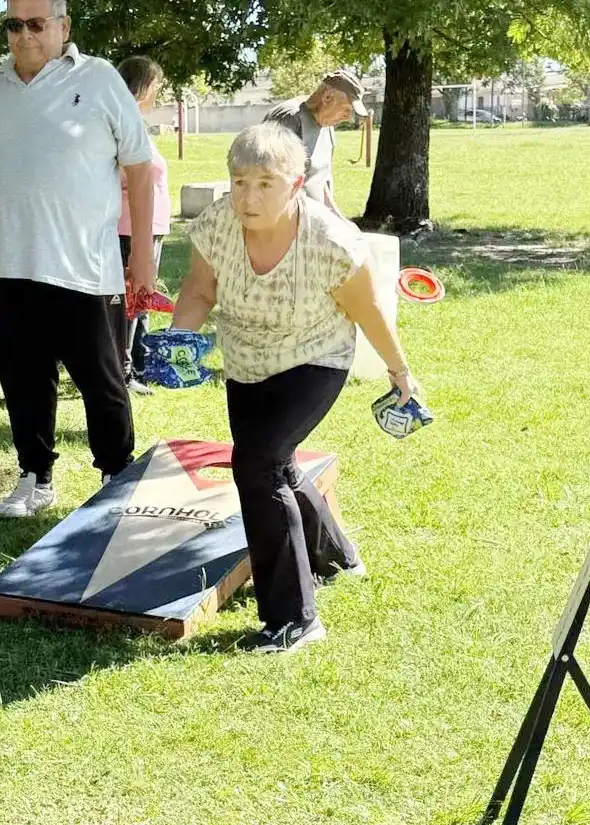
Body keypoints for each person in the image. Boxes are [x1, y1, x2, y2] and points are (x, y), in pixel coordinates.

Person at [170, 122, 422, 654]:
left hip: (315, 359)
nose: (249, 197)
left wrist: (400, 373)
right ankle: (337, 557)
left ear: (296, 183)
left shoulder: (331, 242)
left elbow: (368, 311)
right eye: (240, 182)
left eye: (265, 183)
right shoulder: (216, 224)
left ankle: (293, 619)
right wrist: (177, 341)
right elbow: (199, 290)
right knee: (276, 464)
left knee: (257, 465)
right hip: (245, 361)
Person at [0, 0, 158, 518]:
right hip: (11, 267)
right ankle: (35, 477)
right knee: (23, 381)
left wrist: (141, 255)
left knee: (102, 381)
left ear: (63, 26)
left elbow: (140, 169)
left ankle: (116, 476)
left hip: (86, 268)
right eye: (13, 25)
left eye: (36, 24)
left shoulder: (100, 79)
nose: (23, 34)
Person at [116, 56, 171, 396]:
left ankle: (140, 364)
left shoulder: (134, 121)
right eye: (157, 87)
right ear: (144, 87)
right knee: (130, 301)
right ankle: (122, 373)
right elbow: (124, 174)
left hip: (150, 226)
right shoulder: (124, 123)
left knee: (143, 298)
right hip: (130, 227)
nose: (158, 94)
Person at [263, 69, 368, 221]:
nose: (347, 117)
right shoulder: (288, 119)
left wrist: (339, 221)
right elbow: (271, 183)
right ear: (327, 97)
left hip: (314, 219)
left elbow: (321, 180)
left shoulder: (327, 125)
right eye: (346, 109)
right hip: (289, 221)